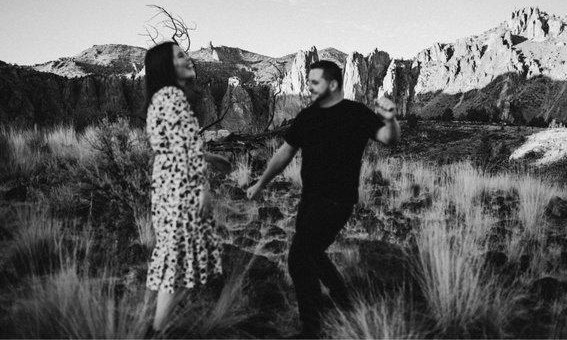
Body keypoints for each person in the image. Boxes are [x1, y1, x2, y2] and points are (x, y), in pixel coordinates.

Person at [246, 59, 400, 338]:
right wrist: (260, 183)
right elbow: (284, 153)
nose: (309, 87)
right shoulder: (307, 116)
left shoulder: (355, 113)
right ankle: (346, 305)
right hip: (310, 199)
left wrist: (390, 118)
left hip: (337, 201)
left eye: (314, 82)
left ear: (332, 84)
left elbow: (388, 138)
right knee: (313, 253)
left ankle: (311, 330)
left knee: (299, 258)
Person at [144, 41, 231, 335]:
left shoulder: (164, 97)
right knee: (178, 261)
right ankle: (156, 331)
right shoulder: (172, 97)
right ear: (167, 67)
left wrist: (210, 156)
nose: (187, 58)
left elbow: (177, 146)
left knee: (180, 258)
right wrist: (203, 188)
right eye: (180, 56)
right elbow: (182, 153)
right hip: (180, 189)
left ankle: (158, 326)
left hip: (170, 185)